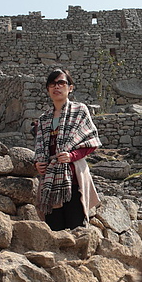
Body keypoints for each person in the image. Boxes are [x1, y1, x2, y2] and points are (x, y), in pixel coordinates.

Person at [34, 67, 101, 231]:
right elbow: (41, 147)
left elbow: (90, 141)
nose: (57, 87)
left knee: (76, 228)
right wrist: (38, 163)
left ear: (70, 87)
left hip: (74, 177)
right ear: (48, 89)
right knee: (54, 228)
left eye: (61, 83)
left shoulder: (80, 111)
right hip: (50, 180)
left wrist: (72, 155)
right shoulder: (44, 119)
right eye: (52, 84)